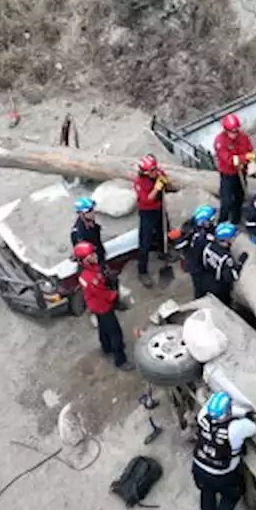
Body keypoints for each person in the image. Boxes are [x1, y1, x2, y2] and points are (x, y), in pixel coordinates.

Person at [192, 391, 256, 510]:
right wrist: (245, 414)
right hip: (222, 474)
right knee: (231, 495)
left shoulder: (203, 415)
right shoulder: (234, 429)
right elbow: (253, 427)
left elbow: (212, 405)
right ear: (228, 411)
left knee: (206, 490)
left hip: (199, 466)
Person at [74, 241, 134, 370]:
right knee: (115, 333)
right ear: (84, 260)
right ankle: (121, 360)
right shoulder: (88, 276)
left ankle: (106, 347)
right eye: (90, 255)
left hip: (97, 306)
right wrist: (115, 296)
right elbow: (101, 292)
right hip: (102, 306)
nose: (94, 255)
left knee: (103, 327)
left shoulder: (89, 269)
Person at [132, 154, 177, 288]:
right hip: (147, 212)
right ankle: (142, 271)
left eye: (155, 169)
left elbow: (168, 186)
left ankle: (163, 252)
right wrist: (157, 187)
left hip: (159, 208)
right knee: (144, 242)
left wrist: (165, 181)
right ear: (145, 172)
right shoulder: (139, 183)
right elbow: (147, 199)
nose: (155, 172)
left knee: (162, 231)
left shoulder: (158, 173)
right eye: (152, 170)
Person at [213, 114, 256, 226]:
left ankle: (236, 221)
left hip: (241, 172)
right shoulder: (220, 141)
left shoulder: (243, 137)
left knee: (239, 197)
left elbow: (249, 151)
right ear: (226, 130)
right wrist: (244, 158)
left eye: (236, 130)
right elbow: (229, 160)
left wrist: (248, 159)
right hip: (228, 174)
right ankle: (222, 222)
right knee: (226, 200)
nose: (235, 134)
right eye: (232, 131)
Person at [201, 222, 247, 307]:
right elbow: (232, 276)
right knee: (223, 307)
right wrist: (241, 262)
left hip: (206, 281)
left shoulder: (208, 247)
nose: (233, 239)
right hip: (220, 288)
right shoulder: (226, 258)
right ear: (226, 240)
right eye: (232, 237)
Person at [177, 204, 218, 299]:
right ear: (203, 222)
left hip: (198, 261)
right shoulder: (197, 237)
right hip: (196, 266)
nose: (213, 221)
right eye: (210, 220)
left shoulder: (198, 227)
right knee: (200, 287)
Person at [69, 196, 107, 267]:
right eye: (88, 211)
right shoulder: (78, 233)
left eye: (92, 209)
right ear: (80, 214)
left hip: (99, 251)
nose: (93, 212)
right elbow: (83, 254)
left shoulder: (89, 220)